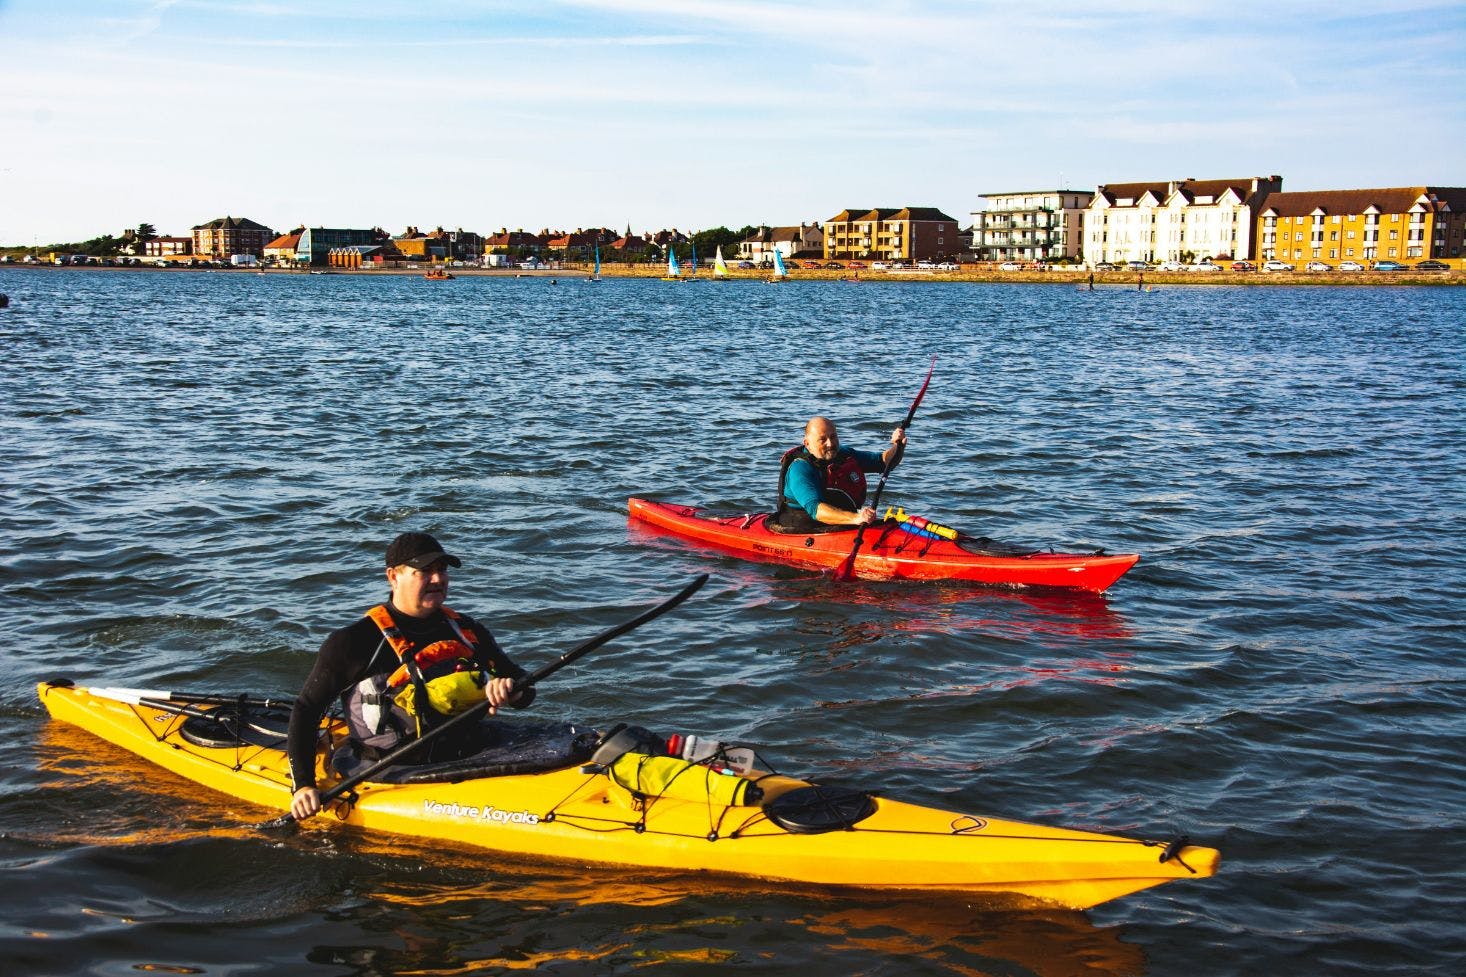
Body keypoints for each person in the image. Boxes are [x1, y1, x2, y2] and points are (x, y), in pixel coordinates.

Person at [286, 531, 534, 820]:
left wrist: (512, 689)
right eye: (424, 572)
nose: (438, 579)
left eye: (442, 570)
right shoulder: (354, 641)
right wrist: (303, 785)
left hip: (468, 756)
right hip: (389, 769)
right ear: (393, 576)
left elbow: (524, 688)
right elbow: (306, 710)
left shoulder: (467, 631)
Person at [769, 416, 907, 534]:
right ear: (808, 444)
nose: (830, 444)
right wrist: (856, 518)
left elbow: (883, 462)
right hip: (802, 527)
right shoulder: (799, 468)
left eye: (833, 436)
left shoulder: (844, 454)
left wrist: (897, 446)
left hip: (842, 523)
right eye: (822, 440)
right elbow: (816, 510)